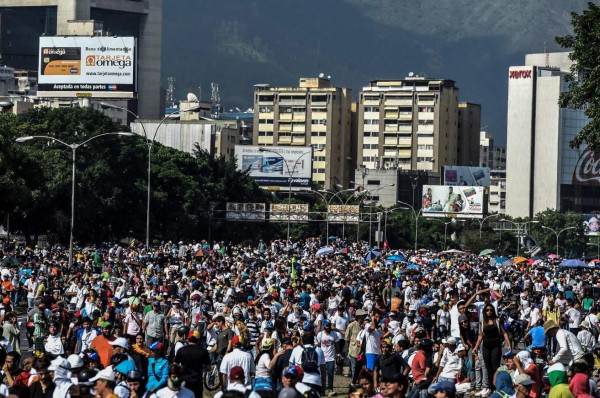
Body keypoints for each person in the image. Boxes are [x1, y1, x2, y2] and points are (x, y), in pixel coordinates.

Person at [473, 304, 511, 390]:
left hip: (496, 346)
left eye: (491, 310)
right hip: (486, 346)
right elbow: (480, 336)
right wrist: (476, 347)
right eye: (487, 310)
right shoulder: (482, 322)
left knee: (495, 366)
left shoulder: (497, 320)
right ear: (484, 312)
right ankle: (490, 387)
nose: (489, 312)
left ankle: (496, 385)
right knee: (488, 367)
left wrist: (509, 344)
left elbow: (504, 333)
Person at [174, 329, 211, 397]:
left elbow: (175, 365)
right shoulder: (203, 351)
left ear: (188, 339)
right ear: (198, 339)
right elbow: (209, 367)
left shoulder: (181, 350)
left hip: (184, 381)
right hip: (197, 381)